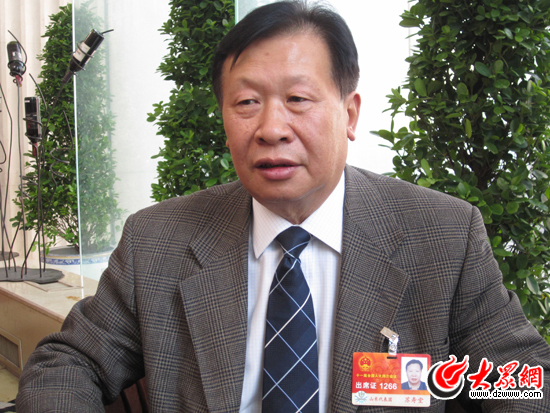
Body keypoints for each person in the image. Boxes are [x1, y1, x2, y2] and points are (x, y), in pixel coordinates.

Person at [16, 1, 550, 412]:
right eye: (247, 102)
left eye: (298, 99)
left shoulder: (443, 235)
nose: (271, 128)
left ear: (349, 113)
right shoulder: (158, 241)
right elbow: (71, 361)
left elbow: (524, 378)